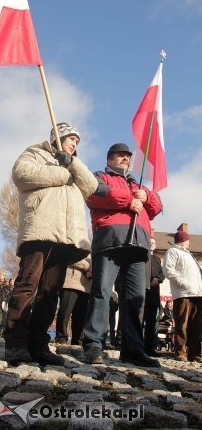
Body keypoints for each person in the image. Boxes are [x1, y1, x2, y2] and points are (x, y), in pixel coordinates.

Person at [4, 122, 98, 365]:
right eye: (71, 138)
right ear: (58, 136)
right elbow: (21, 174)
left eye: (78, 142)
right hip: (40, 228)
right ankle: (15, 342)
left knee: (50, 292)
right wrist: (61, 173)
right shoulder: (36, 153)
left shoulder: (75, 165)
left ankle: (38, 344)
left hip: (66, 236)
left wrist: (72, 163)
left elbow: (91, 187)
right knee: (27, 284)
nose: (75, 144)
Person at [83, 142, 163, 368]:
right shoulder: (100, 176)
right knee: (102, 292)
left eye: (127, 156)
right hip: (110, 239)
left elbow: (156, 207)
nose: (125, 158)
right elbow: (95, 193)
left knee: (136, 298)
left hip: (138, 244)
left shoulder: (138, 185)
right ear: (109, 160)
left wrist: (145, 196)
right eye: (120, 155)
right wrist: (129, 200)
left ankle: (133, 348)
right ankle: (94, 344)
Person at [163, 230, 202, 362]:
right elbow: (168, 270)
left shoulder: (190, 255)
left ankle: (195, 353)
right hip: (183, 293)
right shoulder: (173, 252)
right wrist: (182, 283)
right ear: (184, 240)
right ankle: (180, 352)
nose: (189, 242)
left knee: (196, 325)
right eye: (188, 240)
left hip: (197, 294)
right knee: (182, 324)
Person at [55, 256, 92, 345]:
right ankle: (61, 338)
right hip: (70, 283)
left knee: (80, 316)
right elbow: (70, 258)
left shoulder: (91, 251)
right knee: (65, 312)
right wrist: (89, 267)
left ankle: (77, 341)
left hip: (85, 287)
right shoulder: (74, 244)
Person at [143, 238, 165, 356]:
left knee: (151, 324)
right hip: (142, 293)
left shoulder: (157, 259)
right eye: (150, 243)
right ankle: (137, 346)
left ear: (155, 246)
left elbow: (162, 272)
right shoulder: (142, 255)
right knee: (140, 322)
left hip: (154, 295)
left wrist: (158, 279)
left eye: (153, 243)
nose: (151, 245)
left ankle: (149, 348)